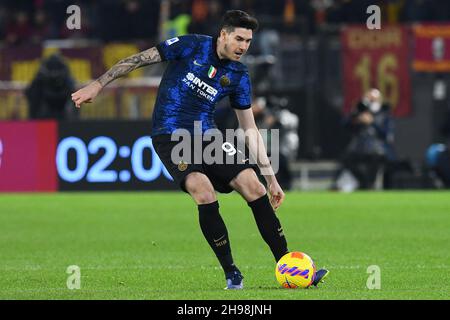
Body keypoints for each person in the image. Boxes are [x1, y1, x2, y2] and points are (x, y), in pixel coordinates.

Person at [71, 10, 328, 290]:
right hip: (171, 136)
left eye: (249, 41)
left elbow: (249, 128)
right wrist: (98, 84)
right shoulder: (190, 45)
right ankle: (232, 272)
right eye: (239, 39)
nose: (244, 46)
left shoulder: (239, 75)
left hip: (208, 136)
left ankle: (289, 267)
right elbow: (137, 60)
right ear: (224, 35)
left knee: (254, 187)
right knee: (203, 190)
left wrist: (271, 178)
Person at [334, 88, 395, 190]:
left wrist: (372, 122)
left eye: (374, 99)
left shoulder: (384, 114)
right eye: (369, 99)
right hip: (359, 148)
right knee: (347, 161)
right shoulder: (360, 113)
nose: (371, 102)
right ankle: (363, 182)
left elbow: (386, 134)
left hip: (377, 150)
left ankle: (370, 185)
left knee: (374, 168)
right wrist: (356, 116)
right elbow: (345, 125)